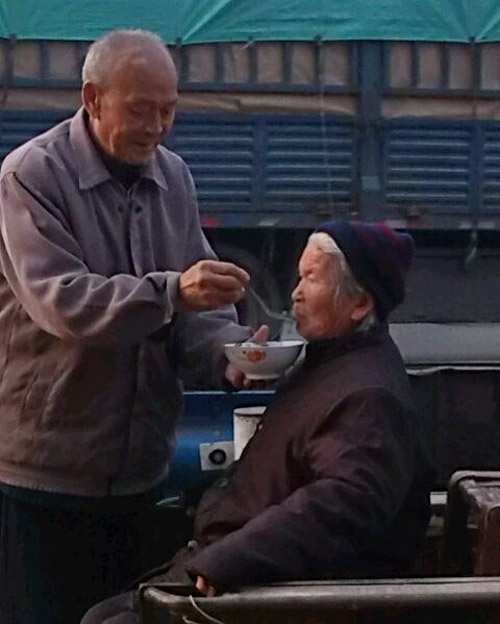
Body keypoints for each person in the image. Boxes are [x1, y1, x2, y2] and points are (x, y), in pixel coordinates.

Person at [0, 29, 264, 624]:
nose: (157, 127)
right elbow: (62, 302)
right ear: (92, 98)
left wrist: (231, 353)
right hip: (45, 476)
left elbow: (199, 311)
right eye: (141, 110)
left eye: (169, 110)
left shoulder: (174, 178)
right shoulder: (30, 176)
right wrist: (171, 291)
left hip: (142, 476)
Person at [82, 218, 435, 624]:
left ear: (360, 304)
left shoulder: (369, 396)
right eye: (298, 277)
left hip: (269, 590)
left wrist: (233, 558)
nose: (295, 293)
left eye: (311, 279)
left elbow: (344, 504)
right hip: (233, 561)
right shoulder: (330, 362)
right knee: (100, 615)